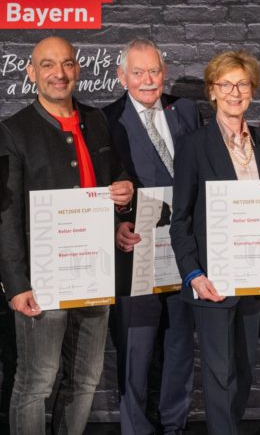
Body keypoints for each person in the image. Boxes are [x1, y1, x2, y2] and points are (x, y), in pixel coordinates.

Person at [0, 36, 133, 435]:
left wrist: (123, 196)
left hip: (94, 272)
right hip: (43, 279)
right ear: (32, 72)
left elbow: (115, 175)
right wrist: (16, 284)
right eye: (48, 65)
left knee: (86, 380)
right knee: (37, 382)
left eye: (67, 64)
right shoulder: (12, 131)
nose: (59, 73)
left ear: (77, 70)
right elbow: (6, 216)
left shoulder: (99, 120)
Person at [169, 50, 260, 435]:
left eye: (242, 84)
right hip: (211, 280)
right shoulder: (194, 146)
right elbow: (180, 221)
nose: (234, 92)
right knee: (219, 375)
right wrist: (193, 273)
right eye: (225, 84)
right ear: (212, 91)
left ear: (252, 90)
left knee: (243, 371)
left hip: (253, 276)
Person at [103, 38, 199, 435]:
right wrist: (114, 225)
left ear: (165, 73)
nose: (147, 80)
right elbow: (98, 186)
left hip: (184, 249)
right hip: (135, 250)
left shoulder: (187, 110)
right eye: (138, 72)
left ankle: (174, 425)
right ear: (122, 77)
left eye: (154, 71)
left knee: (180, 345)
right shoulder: (104, 120)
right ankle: (136, 428)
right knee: (137, 349)